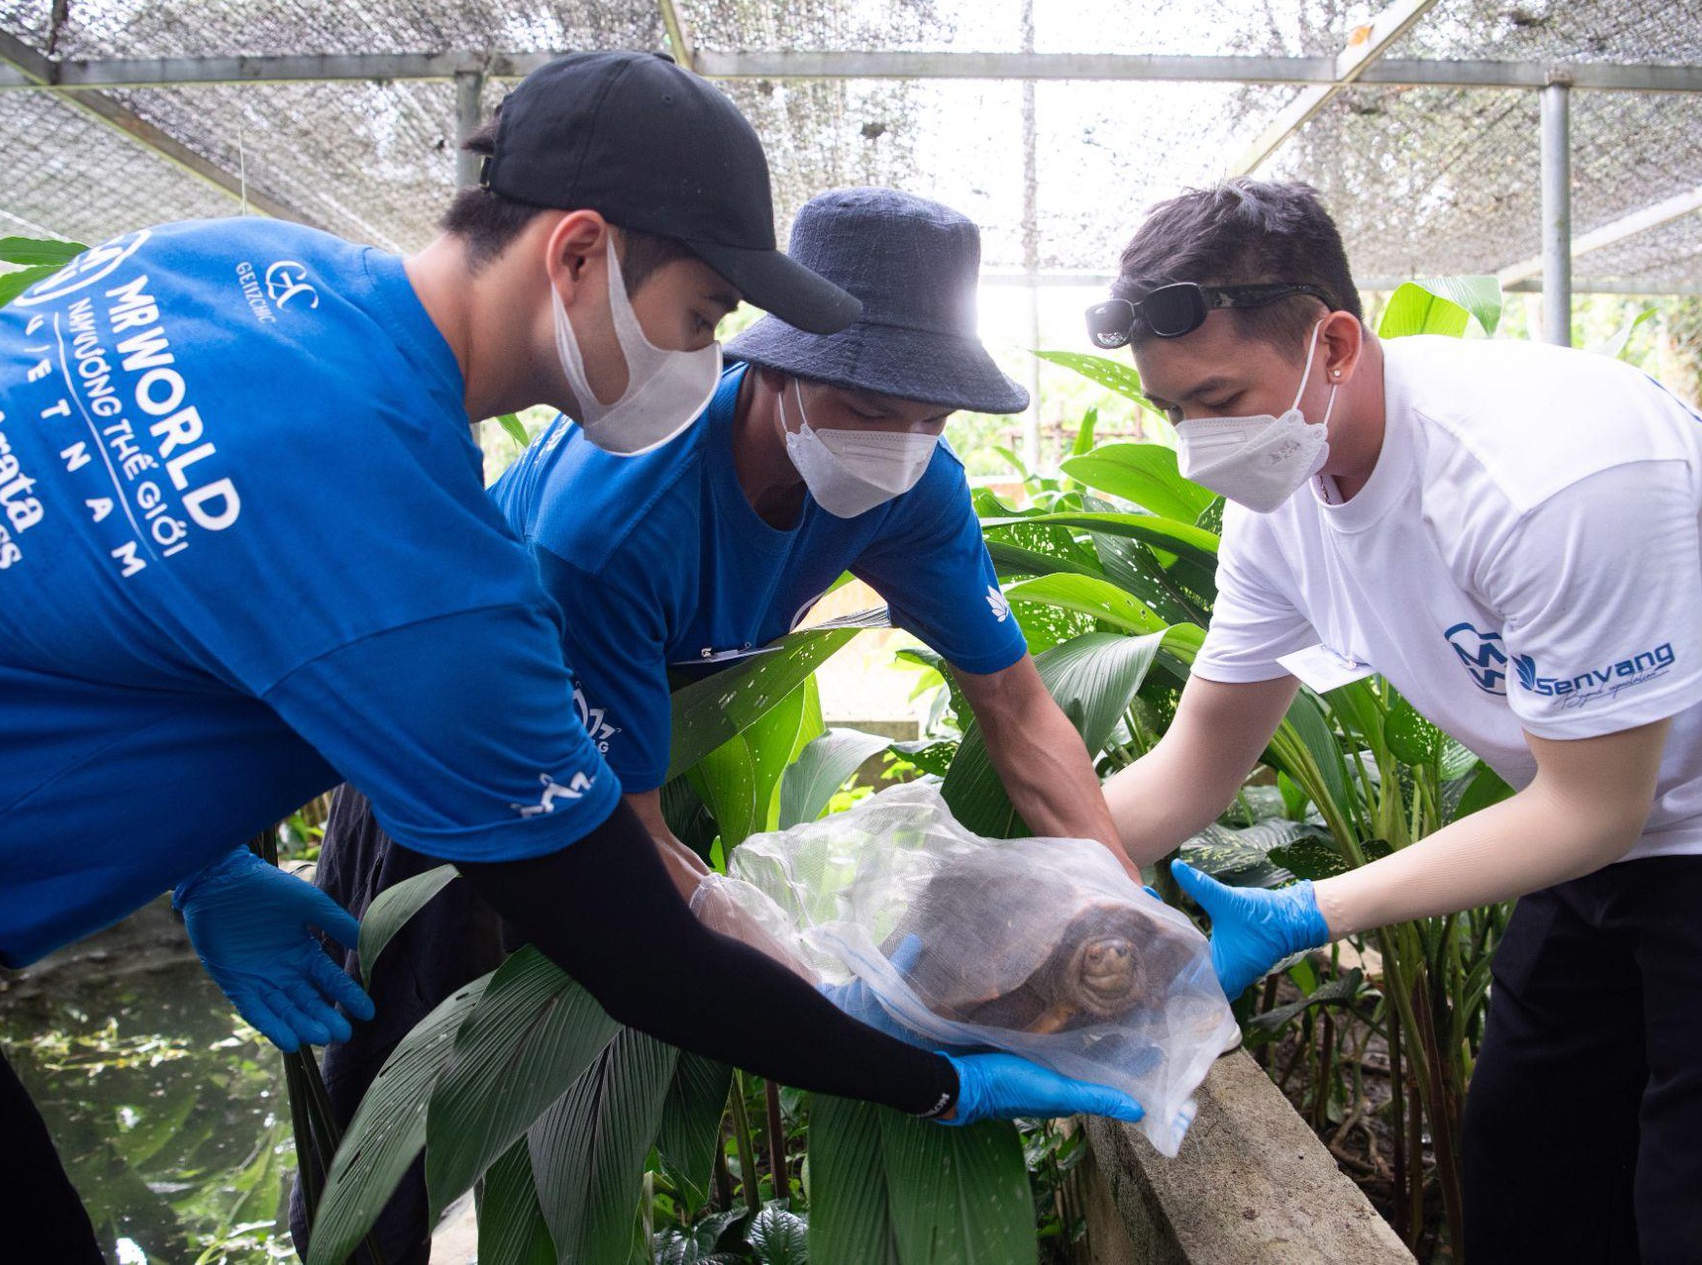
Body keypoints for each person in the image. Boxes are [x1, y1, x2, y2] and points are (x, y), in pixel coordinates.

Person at [0, 52, 1136, 1264]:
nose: (698, 356)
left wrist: (205, 874)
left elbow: (97, 608)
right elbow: (641, 955)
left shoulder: (222, 267)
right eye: (700, 315)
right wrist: (931, 1076)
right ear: (576, 252)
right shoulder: (427, 562)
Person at [293, 185, 1143, 1259]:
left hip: (634, 727)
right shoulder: (617, 522)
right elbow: (631, 844)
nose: (904, 446)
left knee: (609, 1057)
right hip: (452, 757)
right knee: (408, 1075)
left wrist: (1124, 915)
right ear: (776, 370)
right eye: (875, 412)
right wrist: (824, 1010)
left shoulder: (911, 484)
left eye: (934, 418)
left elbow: (1017, 710)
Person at [1096, 180, 1702, 1264]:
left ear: (1337, 345)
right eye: (1173, 410)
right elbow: (1195, 765)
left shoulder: (1551, 471)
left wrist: (1301, 912)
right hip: (1598, 832)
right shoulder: (1281, 506)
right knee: (1527, 1174)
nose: (1196, 443)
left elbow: (1592, 808)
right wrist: (1007, 898)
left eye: (1220, 398)